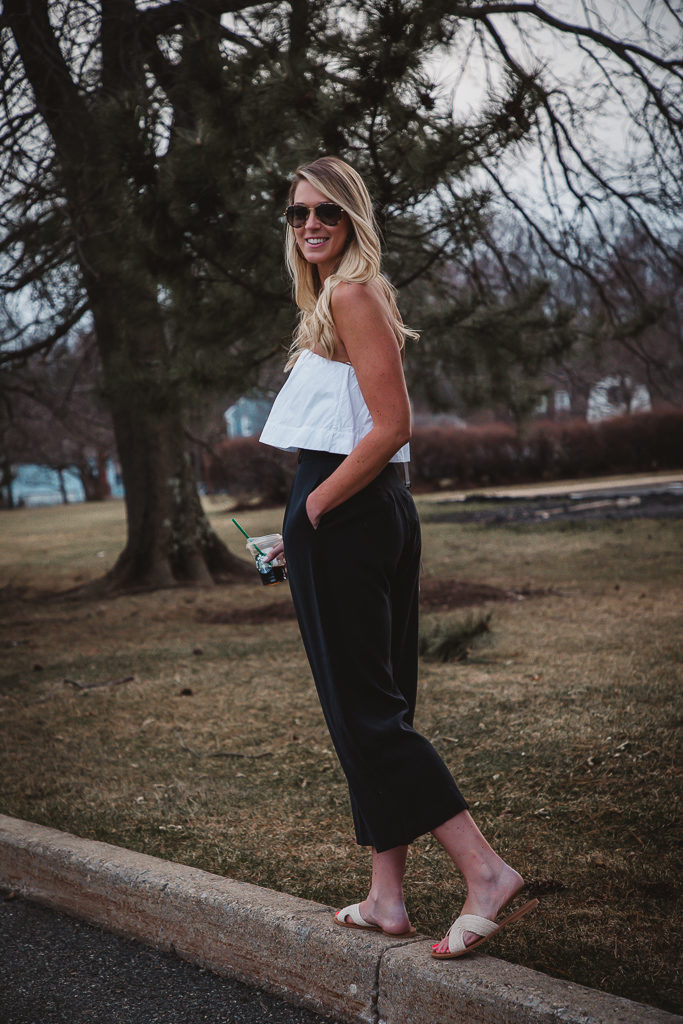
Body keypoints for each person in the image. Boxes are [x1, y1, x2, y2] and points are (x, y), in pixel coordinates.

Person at [259, 156, 537, 959]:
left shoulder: (350, 291)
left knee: (366, 715)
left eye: (327, 213)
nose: (310, 225)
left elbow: (391, 425)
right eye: (298, 214)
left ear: (353, 221)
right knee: (379, 706)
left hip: (346, 512)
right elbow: (356, 431)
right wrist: (300, 525)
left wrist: (311, 510)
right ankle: (386, 896)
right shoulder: (342, 301)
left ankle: (484, 871)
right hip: (365, 511)